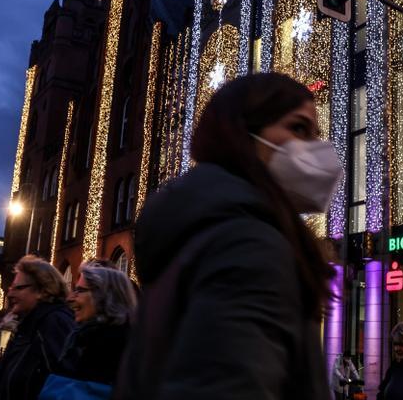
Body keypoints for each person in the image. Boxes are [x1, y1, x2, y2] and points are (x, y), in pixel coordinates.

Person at [115, 72, 340, 399]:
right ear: (244, 135)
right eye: (299, 128)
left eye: (315, 133)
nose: (316, 149)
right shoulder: (250, 245)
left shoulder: (201, 232)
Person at [0, 255, 74, 400]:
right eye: (10, 288)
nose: (10, 294)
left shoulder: (55, 323)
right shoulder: (26, 327)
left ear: (42, 291)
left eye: (18, 288)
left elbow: (65, 386)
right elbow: (1, 384)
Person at [55, 262, 137, 385]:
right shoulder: (86, 335)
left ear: (103, 295)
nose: (70, 298)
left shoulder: (108, 344)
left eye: (80, 290)